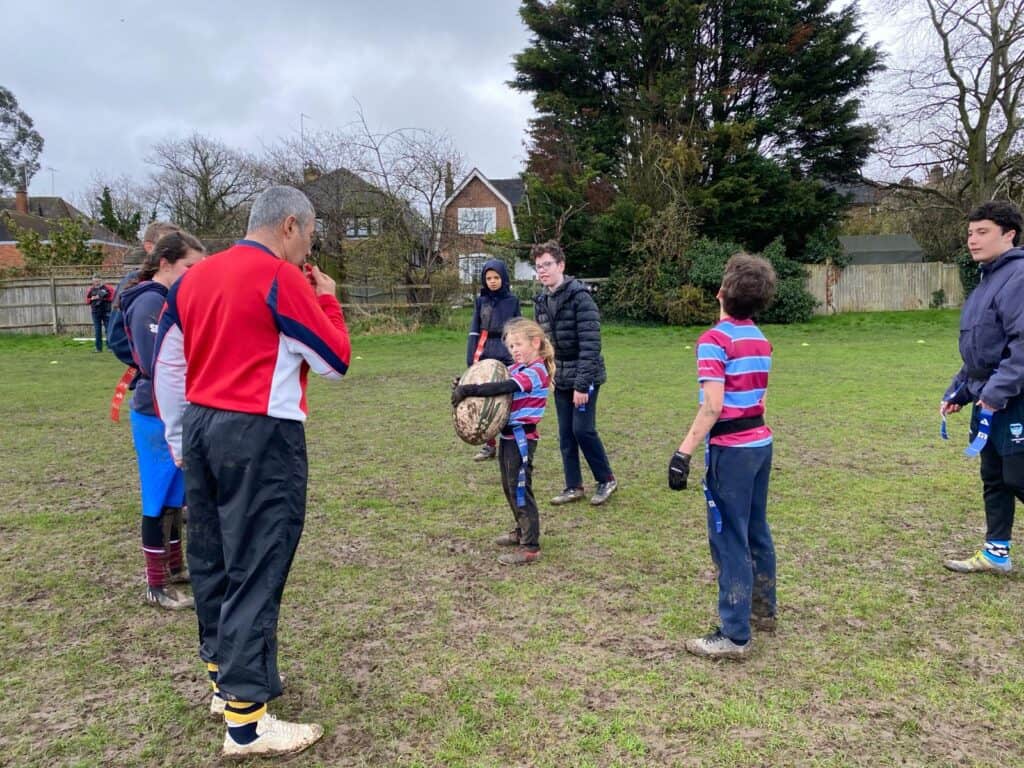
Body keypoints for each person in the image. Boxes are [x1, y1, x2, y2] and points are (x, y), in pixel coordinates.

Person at [153, 186, 350, 759]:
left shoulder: (192, 279)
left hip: (200, 422)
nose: (308, 248)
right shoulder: (280, 278)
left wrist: (178, 433)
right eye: (310, 234)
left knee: (211, 556)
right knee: (258, 563)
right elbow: (334, 360)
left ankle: (223, 678)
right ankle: (246, 721)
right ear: (290, 225)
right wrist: (328, 302)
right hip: (261, 433)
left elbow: (166, 357)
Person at [668, 253, 777, 661]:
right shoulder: (761, 339)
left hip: (731, 453)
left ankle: (734, 634)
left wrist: (683, 452)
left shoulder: (714, 340)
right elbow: (761, 396)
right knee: (756, 530)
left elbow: (712, 405)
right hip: (760, 444)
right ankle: (763, 611)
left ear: (720, 294)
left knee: (729, 538)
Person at [120, 232, 206, 610]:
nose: (194, 276)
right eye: (189, 267)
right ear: (165, 263)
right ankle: (156, 585)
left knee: (176, 495)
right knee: (157, 498)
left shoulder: (170, 300)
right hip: (154, 411)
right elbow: (159, 362)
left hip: (176, 408)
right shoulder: (149, 303)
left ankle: (174, 566)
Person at [941, 200, 1024, 574]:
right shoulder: (987, 279)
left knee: (1017, 477)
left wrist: (994, 393)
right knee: (993, 477)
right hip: (988, 399)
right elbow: (981, 347)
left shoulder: (1018, 277)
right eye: (971, 232)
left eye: (983, 232)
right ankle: (996, 553)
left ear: (1009, 235)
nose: (972, 240)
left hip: (1014, 399)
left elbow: (1022, 346)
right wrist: (960, 390)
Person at [453, 318, 554, 564]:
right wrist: (464, 384)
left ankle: (531, 546)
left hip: (522, 438)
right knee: (509, 487)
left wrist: (469, 391)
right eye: (511, 347)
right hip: (507, 437)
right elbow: (495, 385)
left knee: (520, 488)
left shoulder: (537, 370)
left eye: (519, 344)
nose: (514, 350)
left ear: (535, 342)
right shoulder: (517, 367)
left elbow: (504, 386)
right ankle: (522, 530)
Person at [531, 241, 617, 506]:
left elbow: (591, 345)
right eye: (538, 267)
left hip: (585, 374)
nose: (542, 271)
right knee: (565, 433)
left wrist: (582, 385)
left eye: (547, 265)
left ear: (561, 265)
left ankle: (606, 479)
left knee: (583, 430)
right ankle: (573, 486)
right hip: (560, 376)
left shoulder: (582, 298)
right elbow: (543, 345)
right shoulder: (542, 302)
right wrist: (548, 373)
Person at [465, 258, 521, 461]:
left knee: (507, 397)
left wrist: (518, 355)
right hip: (485, 352)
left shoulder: (512, 301)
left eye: (496, 277)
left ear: (503, 278)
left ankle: (510, 441)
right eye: (488, 278)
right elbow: (474, 330)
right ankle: (489, 445)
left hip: (507, 352)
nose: (492, 281)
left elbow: (518, 329)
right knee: (484, 398)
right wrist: (471, 358)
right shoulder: (481, 302)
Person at [84, 275, 113, 352]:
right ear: (92, 281)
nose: (97, 283)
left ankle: (110, 347)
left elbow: (113, 297)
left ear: (101, 280)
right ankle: (98, 348)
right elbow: (87, 301)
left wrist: (103, 297)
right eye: (95, 281)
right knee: (97, 330)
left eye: (98, 281)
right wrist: (92, 298)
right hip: (95, 312)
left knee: (108, 329)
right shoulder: (90, 289)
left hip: (106, 311)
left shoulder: (108, 288)